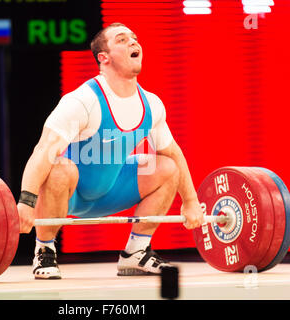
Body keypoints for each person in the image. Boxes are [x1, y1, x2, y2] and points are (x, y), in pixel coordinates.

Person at [17, 22, 205, 279]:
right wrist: (26, 203)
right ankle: (45, 250)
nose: (133, 42)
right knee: (59, 166)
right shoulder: (82, 101)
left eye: (135, 38)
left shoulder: (151, 103)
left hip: (112, 191)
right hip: (69, 194)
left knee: (167, 168)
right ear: (103, 58)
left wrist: (191, 202)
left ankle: (136, 253)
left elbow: (174, 153)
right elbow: (43, 151)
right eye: (122, 39)